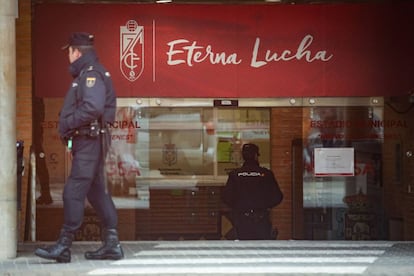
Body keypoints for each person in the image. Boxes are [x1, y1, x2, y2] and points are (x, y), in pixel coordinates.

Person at [35, 32, 123, 263]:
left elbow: (92, 108)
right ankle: (112, 243)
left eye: (69, 52)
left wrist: (68, 123)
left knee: (72, 190)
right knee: (95, 190)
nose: (68, 57)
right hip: (91, 140)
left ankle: (64, 245)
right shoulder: (90, 73)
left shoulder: (90, 75)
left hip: (89, 141)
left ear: (76, 51)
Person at [222, 143, 283, 240]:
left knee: (244, 250)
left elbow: (226, 197)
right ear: (256, 155)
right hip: (261, 219)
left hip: (242, 219)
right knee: (261, 249)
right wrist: (265, 205)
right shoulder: (266, 174)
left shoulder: (235, 175)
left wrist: (238, 206)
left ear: (243, 156)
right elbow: (277, 197)